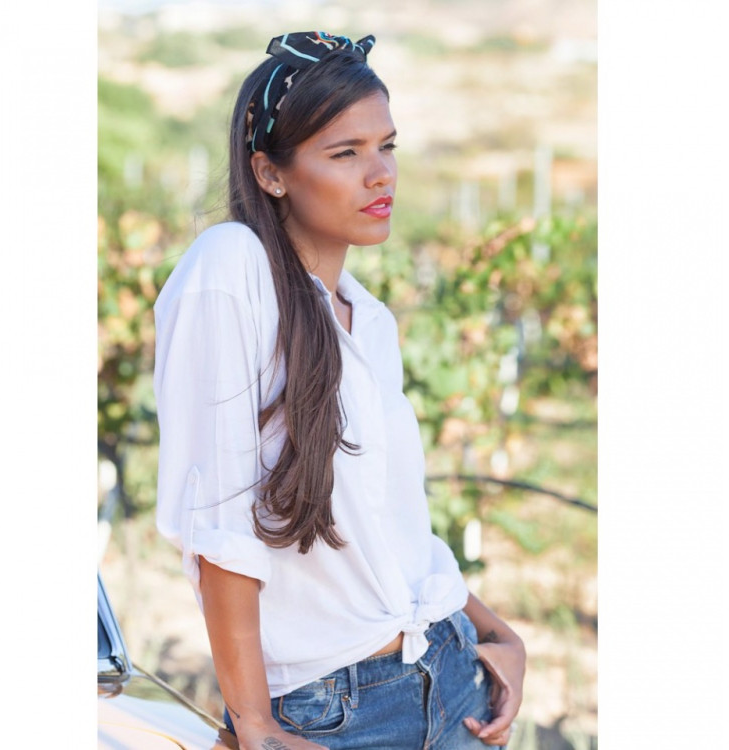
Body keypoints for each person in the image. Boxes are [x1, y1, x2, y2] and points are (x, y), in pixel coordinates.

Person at [154, 31, 526, 750]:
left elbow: (388, 528)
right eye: (346, 153)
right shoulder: (230, 268)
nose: (381, 175)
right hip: (332, 715)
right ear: (271, 173)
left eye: (387, 146)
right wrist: (255, 727)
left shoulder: (370, 319)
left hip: (453, 685)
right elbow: (219, 524)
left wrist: (497, 633)